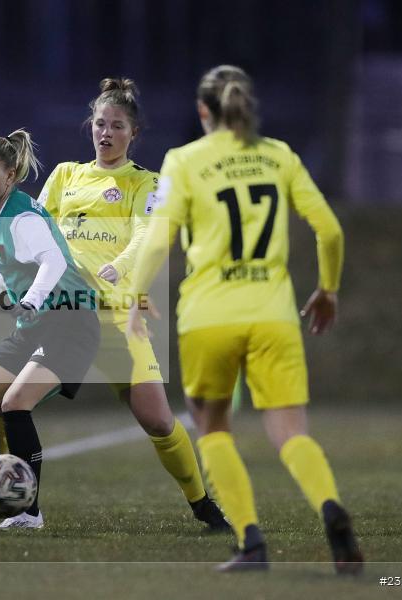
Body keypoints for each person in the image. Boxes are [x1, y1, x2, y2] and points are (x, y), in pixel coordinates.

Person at [0, 79, 227, 532]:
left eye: (116, 126)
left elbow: (147, 235)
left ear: (133, 132)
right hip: (60, 312)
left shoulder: (146, 183)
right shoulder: (65, 175)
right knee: (0, 410)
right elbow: (25, 237)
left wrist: (120, 268)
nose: (105, 133)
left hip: (114, 317)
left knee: (159, 422)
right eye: (99, 124)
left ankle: (204, 506)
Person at [127, 65, 363, 573]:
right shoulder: (279, 155)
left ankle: (251, 541)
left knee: (213, 428)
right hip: (274, 314)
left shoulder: (185, 160)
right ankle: (331, 508)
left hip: (209, 316)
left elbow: (159, 237)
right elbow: (330, 231)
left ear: (203, 111)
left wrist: (134, 296)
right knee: (292, 433)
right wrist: (327, 289)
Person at [0, 128, 100, 529]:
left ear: (10, 176)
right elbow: (8, 265)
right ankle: (3, 493)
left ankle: (30, 512)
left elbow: (54, 262)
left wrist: (29, 300)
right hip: (35, 325)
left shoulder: (22, 214)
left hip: (70, 320)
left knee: (14, 405)